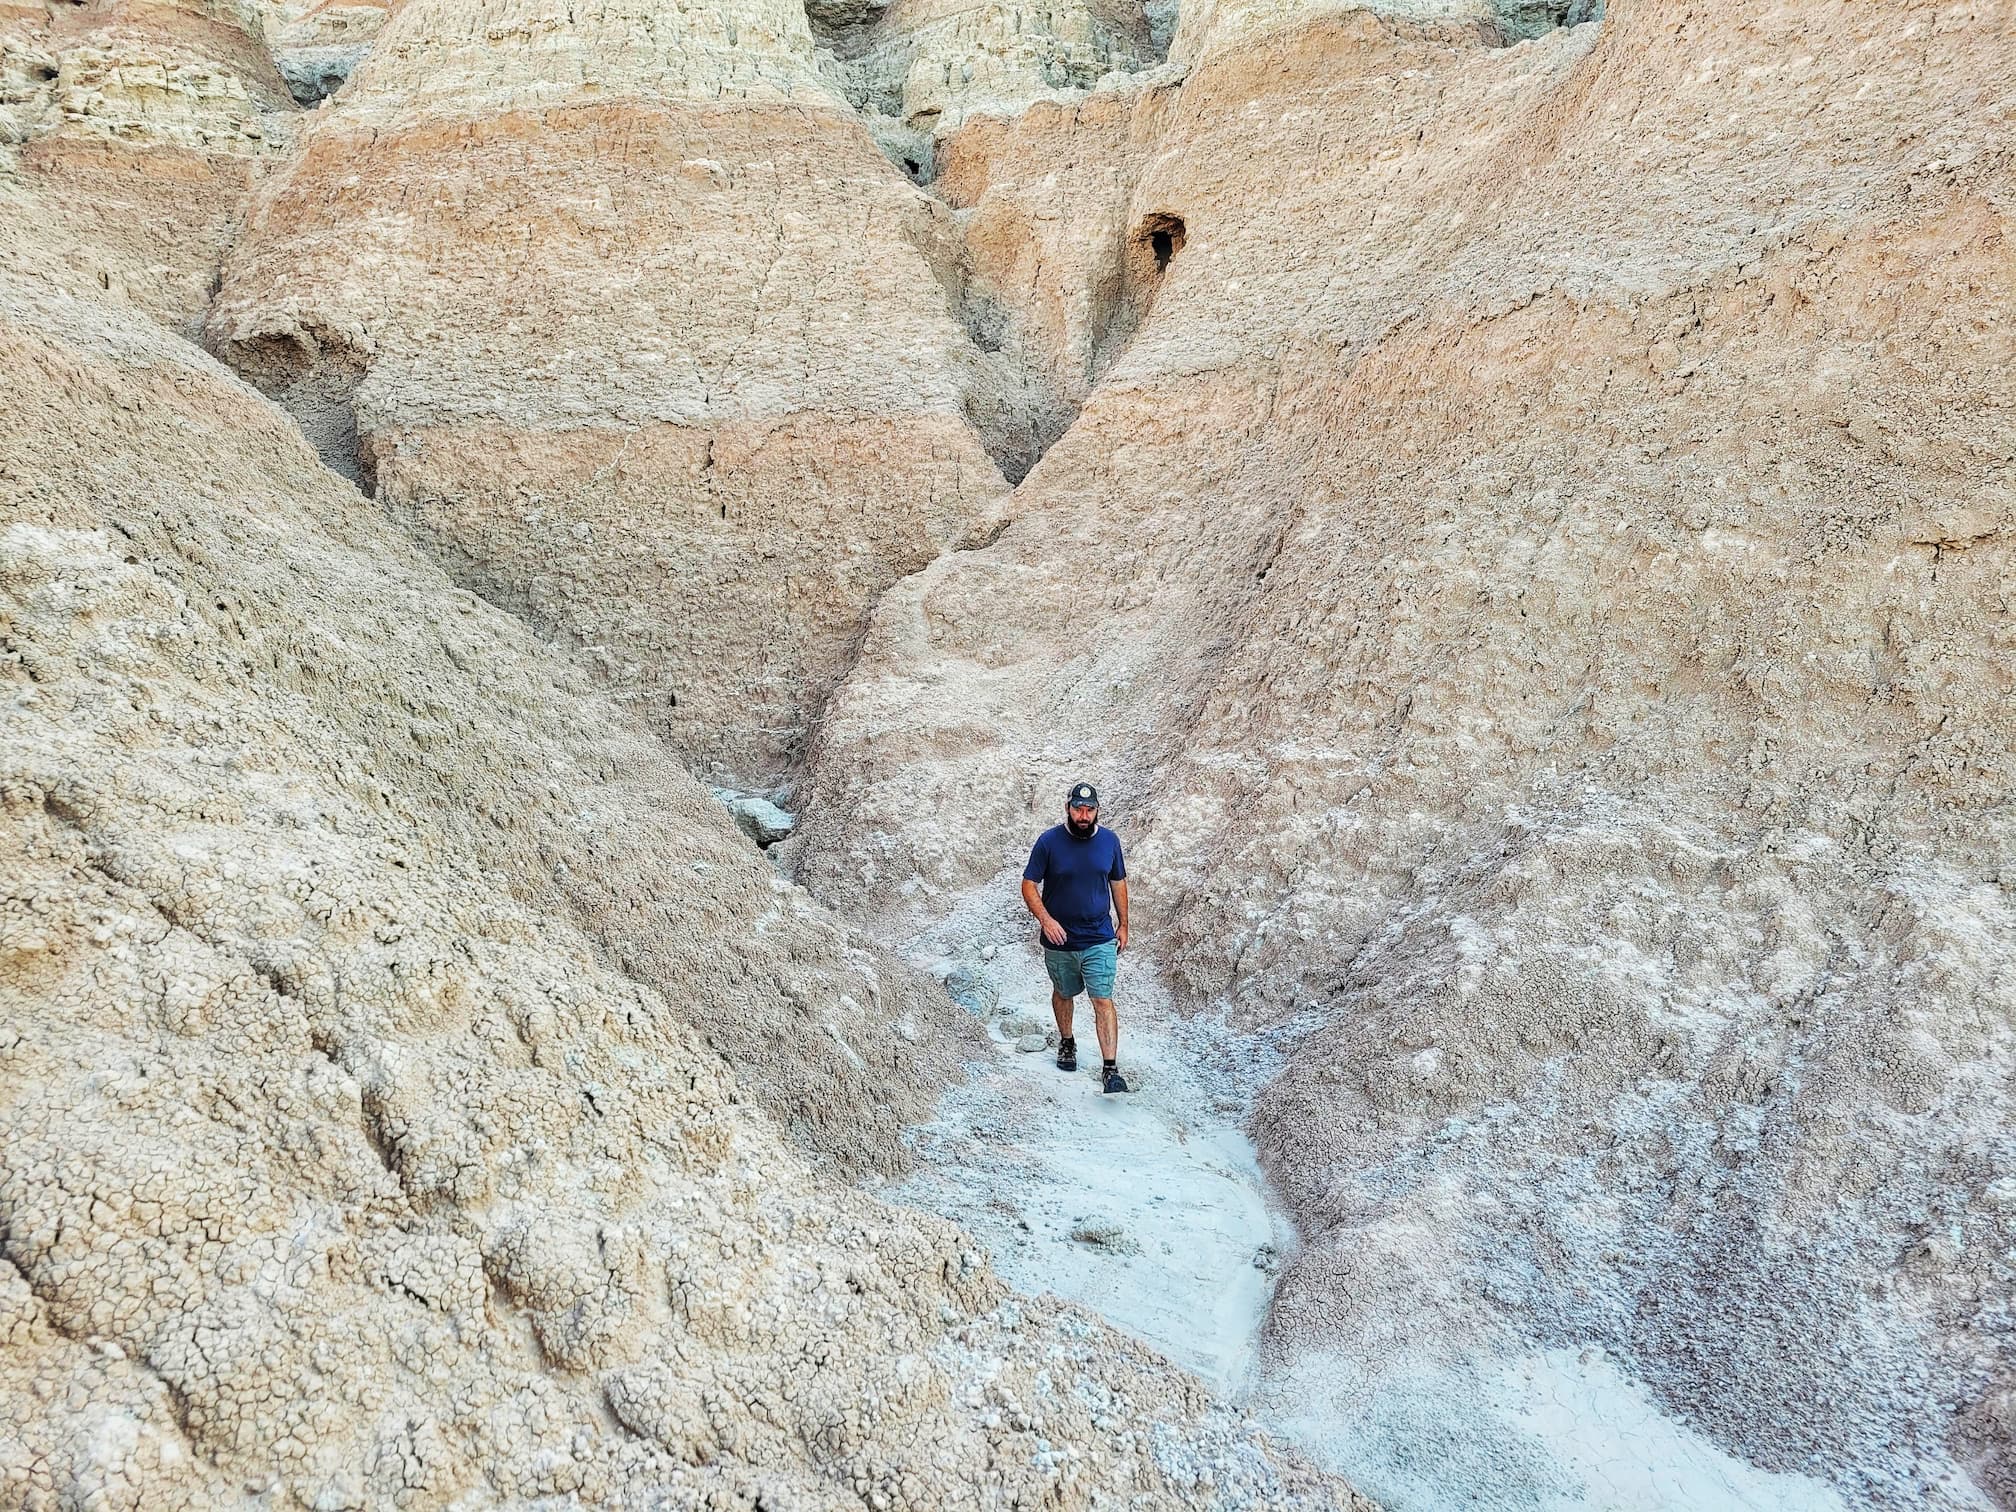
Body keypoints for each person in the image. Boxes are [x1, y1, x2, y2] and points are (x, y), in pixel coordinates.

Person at [1020, 782, 1130, 1093]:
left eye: (1089, 810)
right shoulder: (1048, 842)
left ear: (1097, 810)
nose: (1083, 815)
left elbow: (1118, 882)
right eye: (1078, 809)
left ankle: (1110, 1069)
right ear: (1068, 808)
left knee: (1102, 999)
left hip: (1099, 937)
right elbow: (1028, 884)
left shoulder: (1109, 841)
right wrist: (1046, 921)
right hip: (1060, 940)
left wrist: (1124, 924)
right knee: (1063, 992)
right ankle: (1067, 1041)